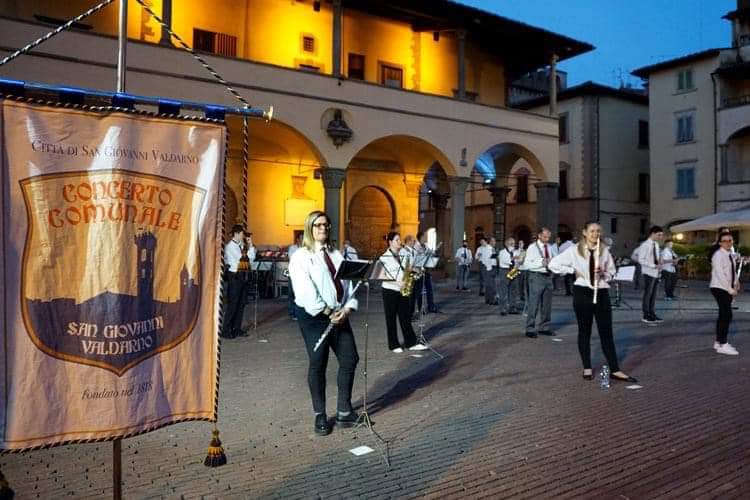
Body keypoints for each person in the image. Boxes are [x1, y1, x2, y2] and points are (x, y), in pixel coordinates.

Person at [288, 211, 360, 435]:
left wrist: (347, 308)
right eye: (318, 225)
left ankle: (344, 412)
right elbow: (306, 293)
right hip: (314, 317)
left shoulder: (337, 254)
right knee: (318, 362)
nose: (323, 229)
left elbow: (348, 286)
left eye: (326, 225)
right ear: (310, 228)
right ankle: (320, 415)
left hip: (339, 313)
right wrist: (329, 311)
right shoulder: (300, 257)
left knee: (350, 358)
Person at [549, 221, 638, 382]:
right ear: (584, 232)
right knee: (585, 331)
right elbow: (553, 264)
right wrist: (573, 271)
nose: (595, 234)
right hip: (582, 292)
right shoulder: (574, 250)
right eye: (592, 231)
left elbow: (612, 272)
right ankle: (587, 367)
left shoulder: (604, 251)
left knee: (606, 332)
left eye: (598, 231)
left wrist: (603, 274)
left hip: (602, 292)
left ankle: (615, 369)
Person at [380, 232, 428, 352]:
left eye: (399, 240)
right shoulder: (384, 257)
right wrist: (397, 283)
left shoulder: (403, 255)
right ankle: (393, 345)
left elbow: (408, 269)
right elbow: (381, 275)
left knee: (405, 317)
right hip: (389, 290)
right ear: (390, 242)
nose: (399, 242)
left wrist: (416, 271)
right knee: (390, 318)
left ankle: (411, 343)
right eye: (396, 240)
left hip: (403, 289)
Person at [521, 228, 557, 337]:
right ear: (539, 235)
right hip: (536, 277)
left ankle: (544, 327)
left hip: (548, 277)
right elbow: (527, 264)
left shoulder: (550, 247)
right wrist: (542, 262)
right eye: (545, 237)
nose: (547, 239)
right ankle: (530, 328)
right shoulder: (532, 248)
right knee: (534, 303)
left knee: (547, 304)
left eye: (548, 237)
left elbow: (554, 259)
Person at [710, 232, 742, 355]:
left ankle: (718, 342)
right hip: (719, 287)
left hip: (725, 287)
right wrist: (729, 289)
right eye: (725, 240)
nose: (728, 242)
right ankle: (722, 343)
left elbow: (731, 271)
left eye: (730, 240)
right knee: (726, 314)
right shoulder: (718, 255)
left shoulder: (729, 255)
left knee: (724, 315)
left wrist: (736, 281)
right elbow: (719, 274)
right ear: (720, 243)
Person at [222, 224, 253, 338]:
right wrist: (247, 254)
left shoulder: (242, 245)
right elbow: (242, 260)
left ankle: (236, 328)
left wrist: (250, 245)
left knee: (241, 304)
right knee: (233, 304)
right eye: (242, 234)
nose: (243, 236)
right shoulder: (230, 246)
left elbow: (252, 257)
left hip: (243, 276)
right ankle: (226, 330)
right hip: (234, 276)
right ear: (237, 233)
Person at [636, 226, 664, 325]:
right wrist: (653, 266)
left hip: (655, 273)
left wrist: (659, 265)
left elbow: (656, 257)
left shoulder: (656, 244)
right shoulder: (645, 245)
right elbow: (641, 260)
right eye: (659, 235)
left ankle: (652, 313)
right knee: (647, 295)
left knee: (653, 295)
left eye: (661, 235)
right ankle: (646, 315)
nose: (660, 237)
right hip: (648, 272)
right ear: (652, 233)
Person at [415, 231, 439, 313]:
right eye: (424, 236)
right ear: (421, 237)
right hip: (419, 272)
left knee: (429, 289)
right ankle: (420, 308)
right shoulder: (416, 247)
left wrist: (434, 251)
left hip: (427, 270)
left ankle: (431, 306)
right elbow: (417, 258)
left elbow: (430, 254)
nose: (426, 238)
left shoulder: (426, 246)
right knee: (419, 291)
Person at [497, 237, 520, 315]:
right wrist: (513, 259)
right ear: (506, 244)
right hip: (504, 271)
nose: (513, 245)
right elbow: (504, 261)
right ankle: (503, 309)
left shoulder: (516, 252)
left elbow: (518, 261)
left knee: (513, 289)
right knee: (503, 290)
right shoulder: (502, 252)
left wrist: (518, 261)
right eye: (511, 243)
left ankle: (512, 307)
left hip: (513, 270)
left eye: (513, 243)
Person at [287, 234, 302, 320]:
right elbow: (293, 258)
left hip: (302, 275)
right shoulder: (292, 248)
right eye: (301, 238)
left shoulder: (306, 248)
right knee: (291, 293)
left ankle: (299, 313)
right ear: (297, 239)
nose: (303, 240)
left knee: (299, 294)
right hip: (293, 274)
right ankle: (292, 313)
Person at [480, 237, 499, 305]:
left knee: (489, 285)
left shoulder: (492, 249)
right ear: (490, 242)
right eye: (493, 241)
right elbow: (485, 259)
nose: (494, 242)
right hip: (489, 268)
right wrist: (489, 268)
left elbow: (493, 258)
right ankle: (492, 300)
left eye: (495, 241)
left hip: (492, 267)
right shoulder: (487, 249)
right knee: (491, 285)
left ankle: (488, 299)